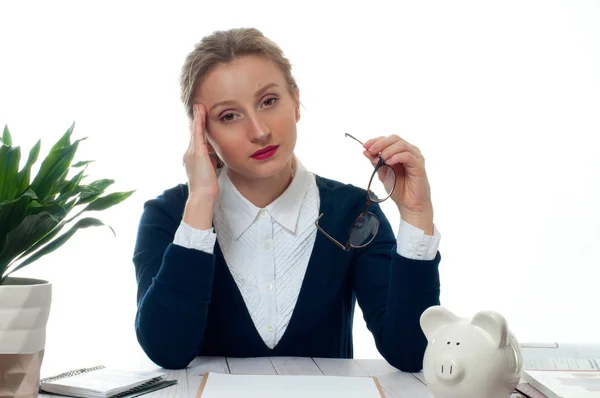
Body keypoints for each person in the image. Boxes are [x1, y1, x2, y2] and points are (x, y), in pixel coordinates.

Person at [132, 27, 442, 371]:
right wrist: (200, 201)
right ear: (203, 134)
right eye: (229, 116)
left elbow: (411, 352)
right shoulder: (169, 216)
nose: (259, 131)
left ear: (295, 102)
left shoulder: (356, 211)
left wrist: (416, 213)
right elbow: (166, 350)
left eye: (268, 101)